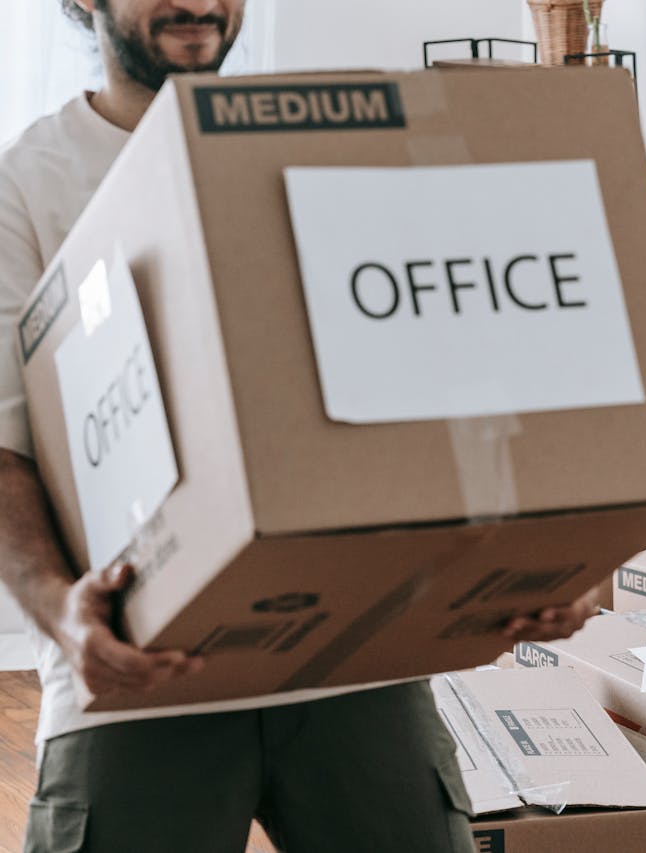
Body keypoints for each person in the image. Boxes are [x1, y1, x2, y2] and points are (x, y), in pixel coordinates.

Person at [0, 2, 594, 850]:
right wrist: (63, 615)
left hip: (352, 648)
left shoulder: (321, 144)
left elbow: (437, 380)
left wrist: (524, 553)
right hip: (134, 675)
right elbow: (4, 447)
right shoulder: (27, 183)